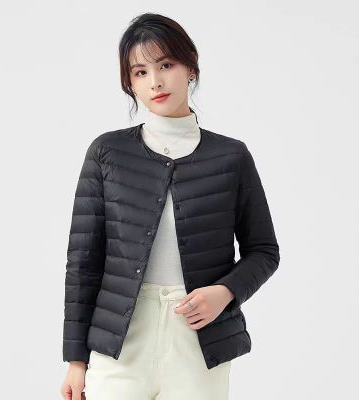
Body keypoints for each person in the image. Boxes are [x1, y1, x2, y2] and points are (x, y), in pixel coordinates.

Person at [61, 12, 280, 400]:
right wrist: (76, 361)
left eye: (166, 65)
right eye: (140, 72)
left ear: (190, 67)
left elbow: (264, 250)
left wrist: (225, 292)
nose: (156, 82)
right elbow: (83, 261)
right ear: (130, 83)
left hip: (199, 342)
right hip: (120, 343)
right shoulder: (107, 153)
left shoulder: (231, 157)